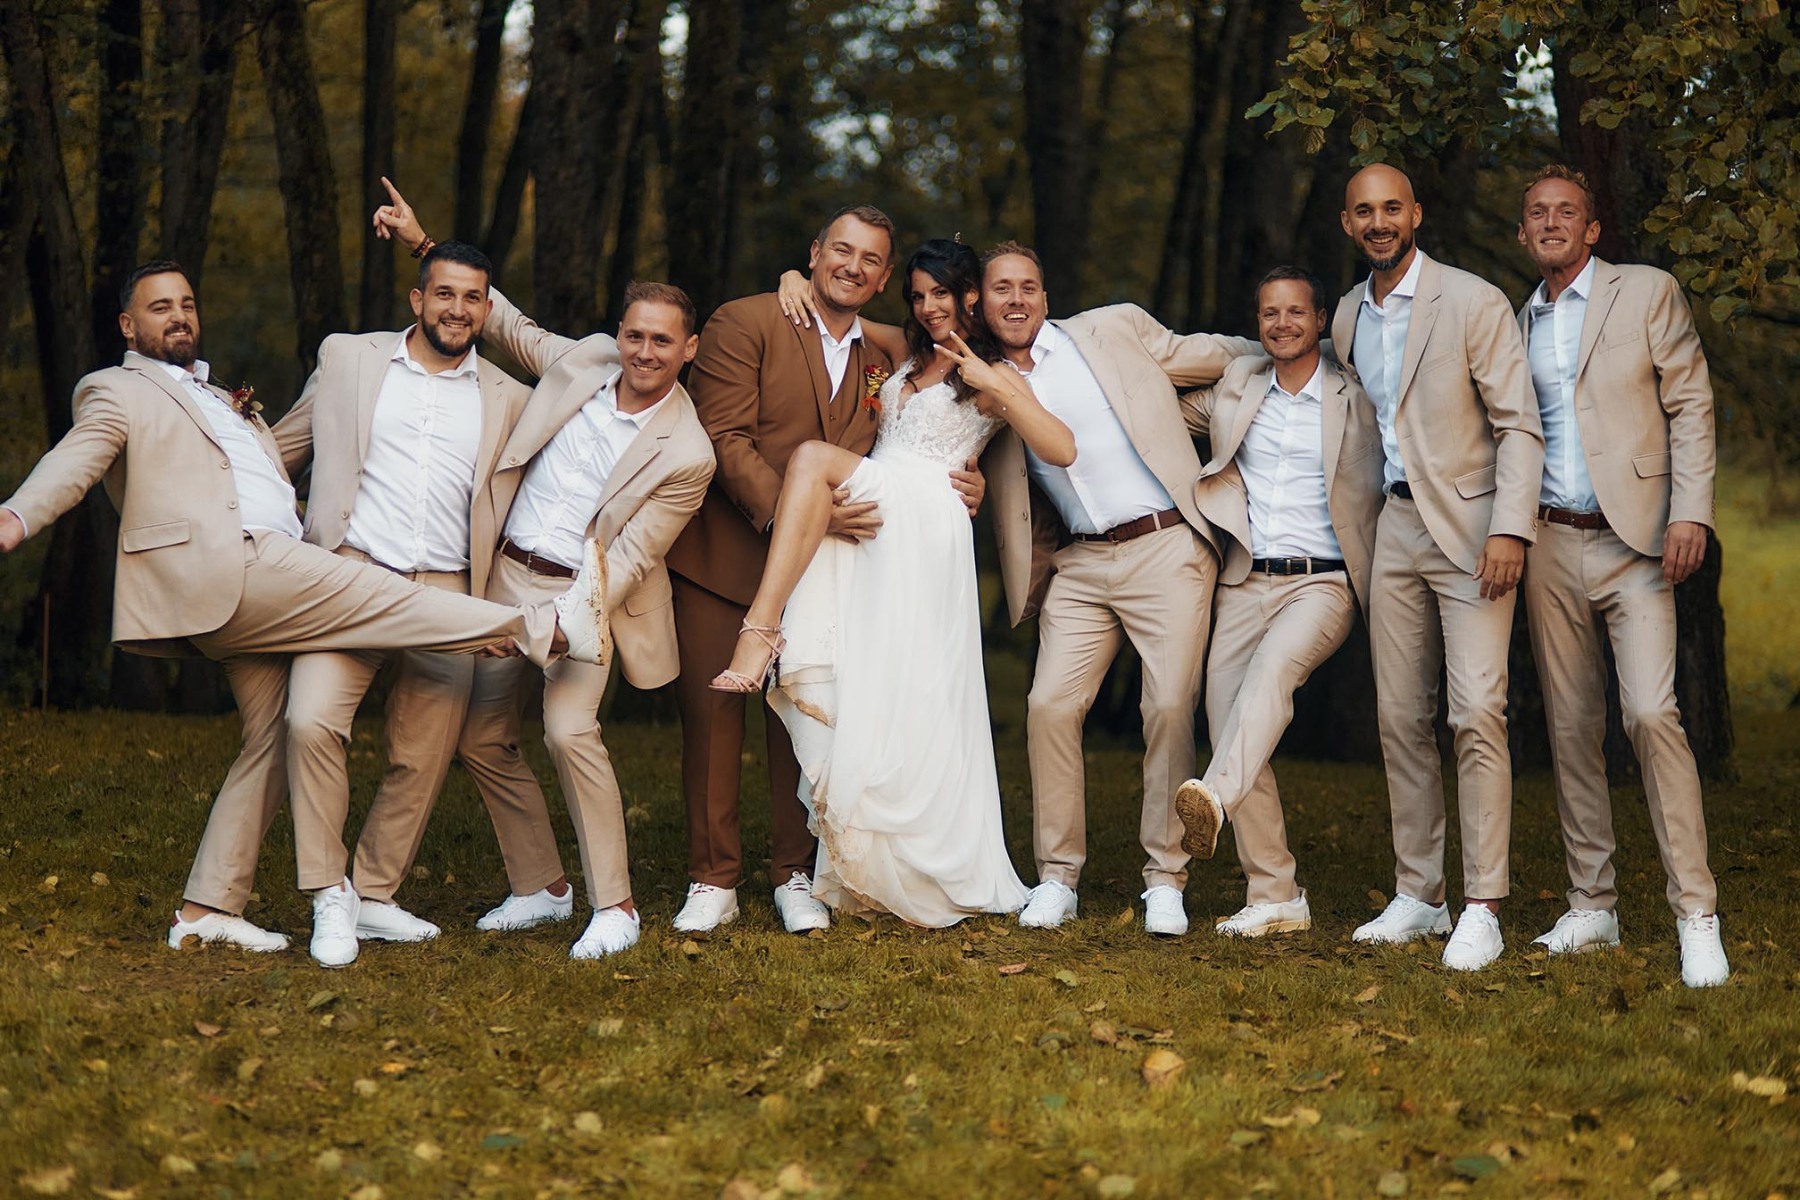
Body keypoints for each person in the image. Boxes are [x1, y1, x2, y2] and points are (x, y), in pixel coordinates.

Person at [0, 261, 609, 964]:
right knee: (343, 663)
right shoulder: (118, 390)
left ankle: (212, 908)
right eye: (160, 306)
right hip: (255, 565)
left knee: (289, 739)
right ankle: (540, 630)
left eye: (187, 303)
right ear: (127, 326)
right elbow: (79, 455)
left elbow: (277, 457)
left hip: (296, 567)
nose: (179, 316)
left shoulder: (221, 399)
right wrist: (16, 515)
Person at [373, 185, 716, 959]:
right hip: (505, 576)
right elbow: (507, 324)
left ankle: (616, 906)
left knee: (567, 732)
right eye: (635, 335)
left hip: (585, 597)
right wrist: (424, 244)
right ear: (619, 334)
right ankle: (541, 886)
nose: (645, 353)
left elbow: (631, 556)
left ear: (688, 349)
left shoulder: (689, 452)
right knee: (481, 737)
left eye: (663, 342)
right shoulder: (589, 360)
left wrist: (561, 623)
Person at [716, 239, 1072, 925]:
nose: (930, 307)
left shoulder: (992, 370)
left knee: (813, 459)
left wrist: (999, 387)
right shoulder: (909, 348)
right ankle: (875, 866)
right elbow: (841, 311)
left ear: (970, 295)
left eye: (942, 293)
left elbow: (1061, 446)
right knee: (881, 682)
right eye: (918, 295)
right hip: (883, 510)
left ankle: (759, 631)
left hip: (927, 512)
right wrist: (794, 276)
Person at [662, 206, 981, 934]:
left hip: (832, 571)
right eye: (841, 250)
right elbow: (724, 437)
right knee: (714, 720)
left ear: (885, 278)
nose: (852, 266)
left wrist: (974, 479)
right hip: (726, 556)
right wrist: (803, 514)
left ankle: (795, 873)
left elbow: (942, 398)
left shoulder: (891, 351)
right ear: (814, 253)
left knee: (807, 715)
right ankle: (712, 879)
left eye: (870, 259)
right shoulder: (747, 321)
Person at [977, 242, 1260, 936]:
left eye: (1029, 287)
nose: (1017, 299)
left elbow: (1212, 355)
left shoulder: (1110, 330)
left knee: (1167, 707)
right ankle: (1057, 877)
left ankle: (1166, 879)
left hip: (1166, 545)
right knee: (1048, 705)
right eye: (1002, 288)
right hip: (1078, 562)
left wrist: (1303, 343)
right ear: (979, 303)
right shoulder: (977, 380)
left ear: (1046, 298)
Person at [272, 236, 533, 965]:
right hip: (349, 575)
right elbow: (279, 451)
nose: (457, 308)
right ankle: (329, 894)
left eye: (472, 297)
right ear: (418, 299)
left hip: (448, 588)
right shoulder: (348, 359)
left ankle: (375, 894)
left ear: (488, 310)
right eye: (443, 293)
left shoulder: (511, 398)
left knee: (421, 754)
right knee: (309, 722)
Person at [1512, 164, 1728, 987]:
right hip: (1549, 543)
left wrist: (1690, 511)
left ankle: (1696, 912)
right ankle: (1592, 904)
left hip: (1636, 540)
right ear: (1523, 233)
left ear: (1593, 228)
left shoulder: (1645, 292)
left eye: (1566, 211)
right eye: (1538, 213)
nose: (1552, 222)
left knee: (1649, 714)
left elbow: (1690, 403)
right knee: (1570, 727)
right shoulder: (1516, 320)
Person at [1329, 164, 1544, 971]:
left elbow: (1518, 425)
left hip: (1473, 530)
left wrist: (1510, 529)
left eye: (1392, 207)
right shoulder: (1347, 314)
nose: (1379, 222)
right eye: (1364, 211)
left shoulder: (1472, 301)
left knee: (1477, 712)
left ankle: (1483, 904)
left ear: (1416, 213)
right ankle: (1420, 894)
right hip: (1393, 529)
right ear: (1348, 223)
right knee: (1398, 717)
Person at [1171, 266, 1385, 936]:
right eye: (1270, 313)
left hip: (1323, 583)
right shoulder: (1238, 386)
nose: (1283, 323)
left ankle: (1214, 797)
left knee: (1269, 681)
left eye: (1296, 312)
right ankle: (1276, 894)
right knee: (1230, 719)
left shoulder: (1358, 395)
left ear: (1320, 321)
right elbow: (1155, 408)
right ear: (1258, 323)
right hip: (1244, 579)